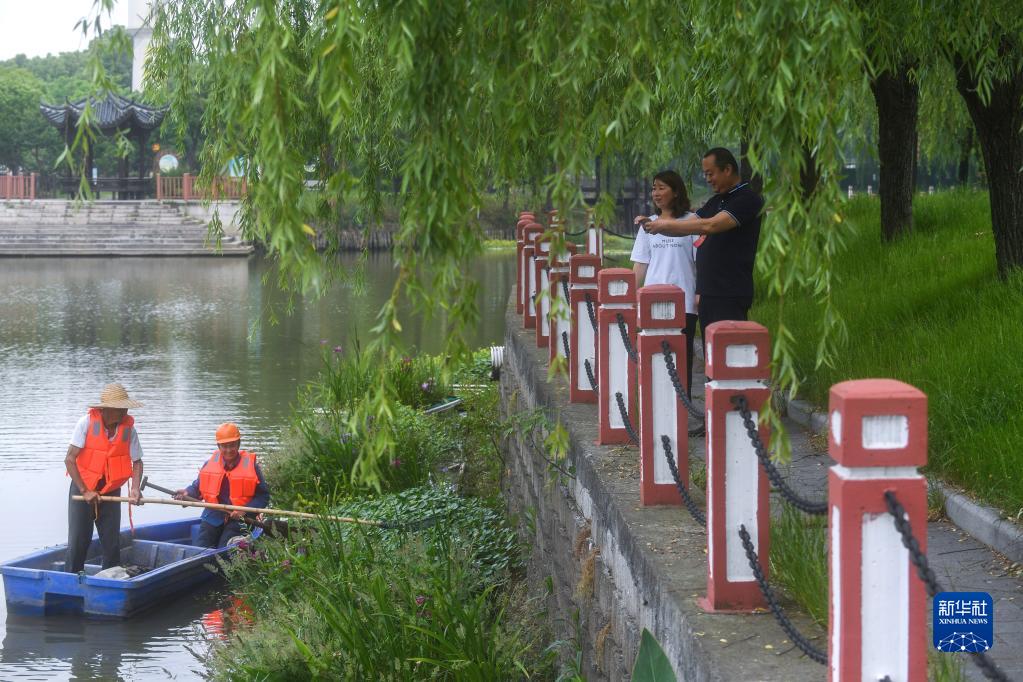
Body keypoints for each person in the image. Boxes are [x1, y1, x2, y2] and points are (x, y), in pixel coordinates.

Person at [637, 147, 764, 337]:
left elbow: (710, 226)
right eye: (705, 174)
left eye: (710, 173)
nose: (707, 179)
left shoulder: (746, 199)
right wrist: (653, 225)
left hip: (729, 291)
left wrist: (661, 225)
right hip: (709, 293)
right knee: (711, 353)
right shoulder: (716, 201)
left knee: (726, 349)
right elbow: (687, 226)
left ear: (727, 170)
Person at [630, 170, 699, 398]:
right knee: (655, 355)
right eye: (654, 188)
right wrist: (629, 298)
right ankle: (656, 406)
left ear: (676, 191)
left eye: (661, 188)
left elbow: (701, 263)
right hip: (653, 301)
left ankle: (682, 405)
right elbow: (640, 265)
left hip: (685, 300)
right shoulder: (648, 225)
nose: (656, 193)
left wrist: (699, 293)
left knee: (682, 356)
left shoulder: (692, 222)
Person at [65, 383, 144, 574]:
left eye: (125, 407)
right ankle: (72, 580)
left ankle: (111, 580)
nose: (124, 411)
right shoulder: (86, 423)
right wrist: (85, 491)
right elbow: (69, 459)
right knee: (79, 541)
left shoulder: (128, 430)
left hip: (110, 491)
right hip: (83, 490)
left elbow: (137, 462)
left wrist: (135, 489)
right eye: (120, 408)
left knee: (111, 542)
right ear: (105, 409)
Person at [175, 422, 270, 548]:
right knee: (199, 548)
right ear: (218, 446)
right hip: (213, 516)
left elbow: (263, 496)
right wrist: (187, 492)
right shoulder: (209, 464)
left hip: (240, 520)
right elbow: (197, 487)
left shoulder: (252, 467)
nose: (229, 450)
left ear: (238, 444)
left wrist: (244, 510)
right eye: (224, 446)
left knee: (225, 548)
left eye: (232, 445)